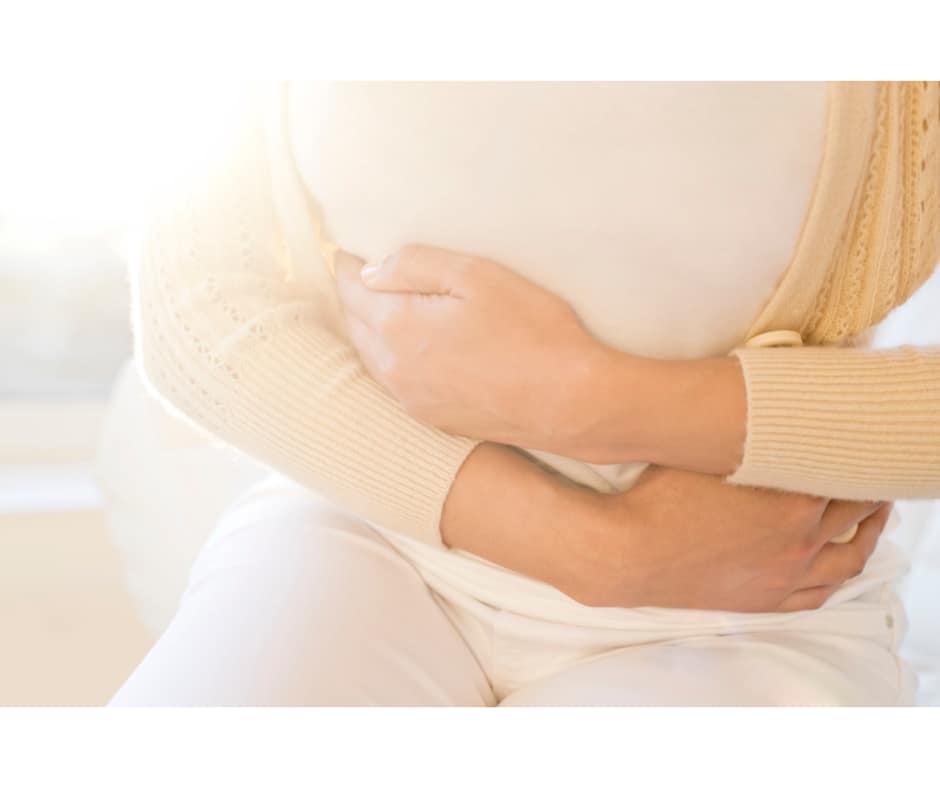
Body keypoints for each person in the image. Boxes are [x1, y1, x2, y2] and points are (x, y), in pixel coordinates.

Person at [111, 81, 939, 705]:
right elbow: (197, 300)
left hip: (750, 589)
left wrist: (592, 400)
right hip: (373, 533)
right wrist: (601, 552)